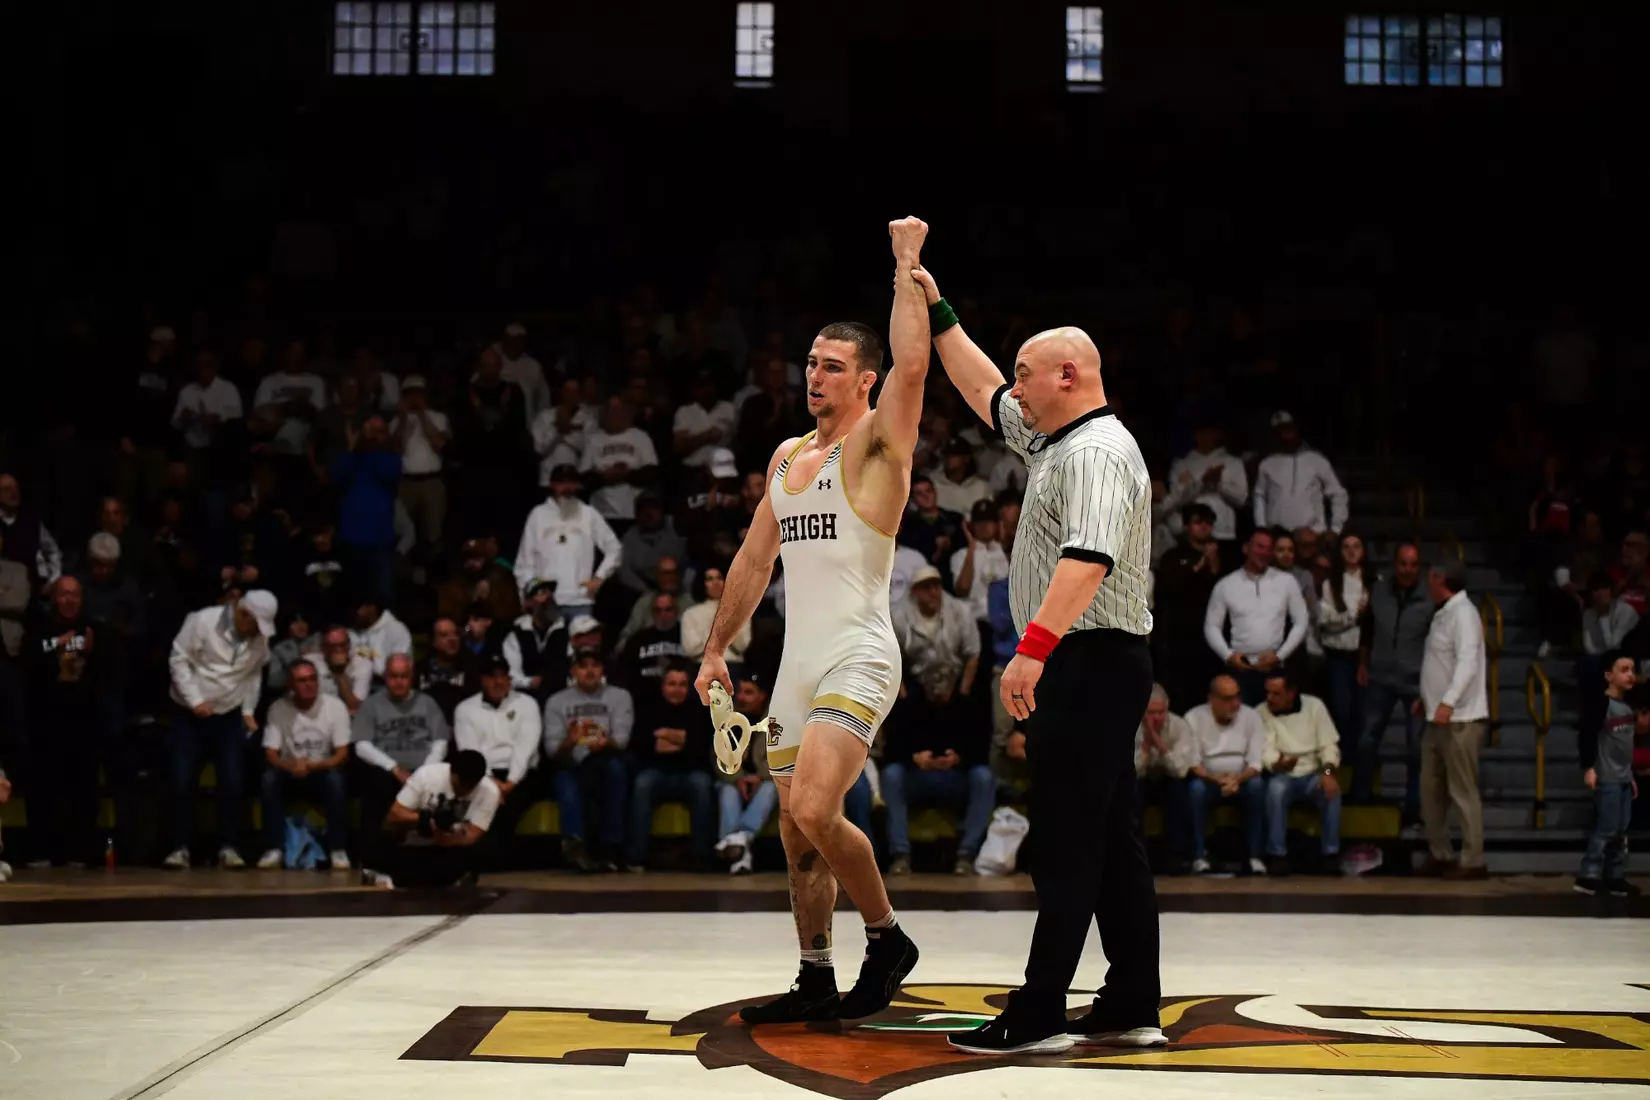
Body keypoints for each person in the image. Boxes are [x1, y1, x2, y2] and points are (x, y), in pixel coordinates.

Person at [912, 260, 1162, 1054]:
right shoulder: (1059, 439)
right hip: (1095, 660)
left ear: (1068, 376)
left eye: (1028, 374)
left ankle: (1041, 1008)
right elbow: (980, 386)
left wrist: (1032, 651)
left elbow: (1087, 561)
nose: (1015, 388)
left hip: (1087, 660)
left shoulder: (1096, 453)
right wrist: (936, 305)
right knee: (1110, 834)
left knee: (1066, 838)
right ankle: (1132, 1000)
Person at [695, 218, 932, 1026]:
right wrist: (716, 648)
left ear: (865, 381)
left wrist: (906, 263)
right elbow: (753, 559)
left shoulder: (876, 448)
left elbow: (914, 365)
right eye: (810, 363)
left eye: (833, 366)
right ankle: (814, 975)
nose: (815, 376)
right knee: (797, 840)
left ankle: (888, 937)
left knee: (815, 809)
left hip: (859, 653)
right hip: (796, 666)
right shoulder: (786, 458)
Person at [163, 590, 277, 869]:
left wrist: (248, 710)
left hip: (228, 715)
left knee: (232, 781)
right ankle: (179, 847)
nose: (259, 631)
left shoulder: (259, 638)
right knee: (182, 780)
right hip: (190, 714)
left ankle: (228, 846)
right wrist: (195, 701)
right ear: (243, 614)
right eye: (256, 623)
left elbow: (253, 673)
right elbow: (178, 660)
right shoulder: (202, 621)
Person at [23, 577, 105, 868]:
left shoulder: (93, 628)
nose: (69, 600)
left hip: (83, 720)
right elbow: (28, 658)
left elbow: (109, 670)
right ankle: (42, 850)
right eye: (63, 594)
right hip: (46, 719)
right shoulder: (39, 627)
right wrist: (57, 644)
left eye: (75, 595)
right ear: (54, 598)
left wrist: (93, 652)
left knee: (83, 787)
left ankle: (79, 851)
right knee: (44, 787)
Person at [1416, 560, 1489, 880]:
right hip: (1437, 718)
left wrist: (1447, 701)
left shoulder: (1464, 614)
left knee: (1462, 790)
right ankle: (1441, 853)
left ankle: (1473, 860)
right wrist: (1429, 698)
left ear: (1439, 578)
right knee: (1431, 791)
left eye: (1430, 577)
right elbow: (1440, 663)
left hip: (1460, 718)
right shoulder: (1444, 612)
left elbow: (1467, 663)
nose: (1427, 583)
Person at [1351, 541, 1432, 814]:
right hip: (1379, 676)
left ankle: (1414, 807)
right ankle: (1360, 796)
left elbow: (1436, 642)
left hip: (1416, 681)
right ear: (1394, 565)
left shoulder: (1430, 597)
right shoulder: (1378, 591)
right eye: (1403, 564)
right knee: (1366, 738)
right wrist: (1363, 664)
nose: (1408, 570)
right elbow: (1367, 630)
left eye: (1413, 564)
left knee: (1417, 748)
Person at [543, 648, 634, 871]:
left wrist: (605, 743)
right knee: (565, 783)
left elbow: (621, 741)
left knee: (616, 769)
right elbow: (552, 751)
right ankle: (575, 849)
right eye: (583, 666)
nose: (590, 671)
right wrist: (570, 741)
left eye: (595, 665)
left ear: (603, 670)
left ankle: (610, 848)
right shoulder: (556, 701)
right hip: (571, 764)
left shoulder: (620, 696)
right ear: (573, 670)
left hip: (606, 760)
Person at [352, 653, 451, 857]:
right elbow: (361, 745)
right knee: (376, 783)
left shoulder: (427, 703)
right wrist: (394, 768)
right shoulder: (372, 704)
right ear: (385, 677)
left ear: (412, 677)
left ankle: (436, 854)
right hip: (386, 770)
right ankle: (372, 855)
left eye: (404, 676)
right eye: (394, 676)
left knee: (441, 784)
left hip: (423, 768)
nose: (399, 682)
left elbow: (441, 741)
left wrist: (424, 772)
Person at [257, 659, 352, 870]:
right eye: (301, 681)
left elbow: (342, 753)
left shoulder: (335, 706)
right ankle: (274, 848)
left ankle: (338, 849)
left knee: (336, 781)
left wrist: (314, 766)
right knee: (269, 779)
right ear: (291, 685)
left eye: (312, 679)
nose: (308, 684)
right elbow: (270, 753)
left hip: (322, 769)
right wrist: (292, 767)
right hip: (291, 771)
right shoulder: (278, 708)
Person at [364, 748, 499, 890]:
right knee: (382, 835)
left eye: (470, 786)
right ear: (451, 772)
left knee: (481, 849)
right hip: (413, 842)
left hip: (449, 846)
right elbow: (394, 815)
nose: (464, 791)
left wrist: (447, 839)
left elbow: (473, 834)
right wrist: (424, 818)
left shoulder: (489, 791)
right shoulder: (426, 775)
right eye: (460, 784)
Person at [1203, 528, 1309, 705]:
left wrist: (1280, 655)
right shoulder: (1226, 584)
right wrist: (1228, 656)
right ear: (1246, 548)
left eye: (1269, 548)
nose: (1265, 552)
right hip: (1240, 669)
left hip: (1275, 669)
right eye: (1260, 547)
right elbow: (1211, 626)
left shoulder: (1287, 581)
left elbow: (1301, 621)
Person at [627, 664, 715, 870]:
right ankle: (635, 858)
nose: (677, 689)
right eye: (672, 684)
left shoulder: (700, 710)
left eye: (682, 684)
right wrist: (683, 740)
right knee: (642, 784)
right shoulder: (648, 709)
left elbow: (702, 747)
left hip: (691, 772)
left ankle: (703, 858)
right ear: (663, 686)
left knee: (702, 785)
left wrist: (664, 734)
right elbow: (643, 746)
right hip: (656, 772)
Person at [1256, 670, 1341, 876]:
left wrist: (1328, 772)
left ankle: (1331, 854)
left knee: (1332, 791)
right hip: (1281, 774)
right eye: (1267, 693)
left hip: (1313, 773)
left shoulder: (1315, 706)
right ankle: (1277, 855)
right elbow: (1265, 751)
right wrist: (1278, 764)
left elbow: (1329, 746)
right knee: (1275, 790)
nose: (1269, 698)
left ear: (1291, 693)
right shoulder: (1261, 712)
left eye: (1276, 693)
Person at [1181, 675, 1268, 875]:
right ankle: (1199, 856)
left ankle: (1255, 857)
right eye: (1228, 699)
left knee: (1257, 786)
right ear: (1212, 699)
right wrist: (1219, 779)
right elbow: (1194, 764)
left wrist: (1236, 779)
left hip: (1242, 779)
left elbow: (1255, 762)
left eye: (1237, 697)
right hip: (1209, 780)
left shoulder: (1251, 716)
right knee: (1196, 789)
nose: (1235, 704)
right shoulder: (1193, 718)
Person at [514, 464, 622, 622]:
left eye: (571, 482)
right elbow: (525, 563)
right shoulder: (538, 515)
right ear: (552, 485)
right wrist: (529, 595)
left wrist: (599, 578)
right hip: (546, 602)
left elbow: (615, 549)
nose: (567, 488)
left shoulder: (588, 513)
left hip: (580, 601)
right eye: (562, 483)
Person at [1574, 654, 1641, 897]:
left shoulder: (1627, 707)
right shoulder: (1602, 705)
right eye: (1624, 669)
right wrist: (1589, 767)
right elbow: (1587, 735)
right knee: (1607, 828)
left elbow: (1624, 746)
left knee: (1621, 830)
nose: (1630, 674)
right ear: (1609, 675)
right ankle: (1588, 874)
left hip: (1623, 777)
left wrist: (1630, 775)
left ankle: (1614, 875)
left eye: (1632, 669)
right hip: (1608, 776)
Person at [715, 672, 778, 875]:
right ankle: (740, 848)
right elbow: (718, 755)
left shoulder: (777, 718)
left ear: (762, 696)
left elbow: (784, 756)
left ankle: (738, 839)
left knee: (770, 788)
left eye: (749, 693)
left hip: (766, 779)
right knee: (728, 791)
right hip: (734, 779)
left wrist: (760, 777)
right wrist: (738, 778)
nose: (741, 697)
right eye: (740, 692)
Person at [1318, 531, 1372, 761]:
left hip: (1365, 656)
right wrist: (1352, 616)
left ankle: (1361, 768)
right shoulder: (1330, 584)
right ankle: (1337, 765)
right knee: (1340, 712)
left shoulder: (1372, 582)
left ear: (1364, 551)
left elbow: (1373, 624)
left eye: (1356, 546)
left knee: (1363, 715)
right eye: (1346, 547)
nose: (1351, 551)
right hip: (1338, 656)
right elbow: (1325, 621)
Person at [1252, 410, 1349, 536]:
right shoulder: (1267, 464)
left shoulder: (1316, 460)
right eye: (1280, 430)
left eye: (1288, 428)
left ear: (1296, 428)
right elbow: (1259, 497)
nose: (1285, 433)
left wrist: (1336, 528)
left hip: (1313, 535)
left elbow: (1337, 493)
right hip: (1277, 536)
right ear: (1275, 434)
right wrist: (1261, 528)